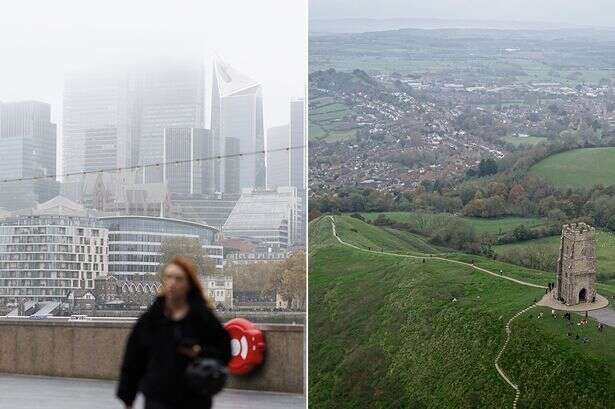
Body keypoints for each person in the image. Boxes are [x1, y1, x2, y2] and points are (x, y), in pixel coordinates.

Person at [117, 256, 232, 409]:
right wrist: (127, 397)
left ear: (189, 284)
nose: (172, 283)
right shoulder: (151, 319)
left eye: (179, 279)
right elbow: (133, 359)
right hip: (158, 397)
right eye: (169, 277)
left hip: (193, 397)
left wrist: (199, 351)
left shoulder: (203, 318)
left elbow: (224, 349)